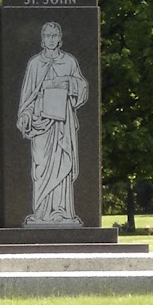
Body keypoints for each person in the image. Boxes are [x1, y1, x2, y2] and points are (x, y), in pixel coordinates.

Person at [16, 21, 89, 227]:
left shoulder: (69, 62)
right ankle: (41, 211)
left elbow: (82, 87)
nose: (51, 39)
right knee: (41, 166)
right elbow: (27, 95)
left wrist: (68, 81)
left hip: (62, 123)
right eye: (47, 35)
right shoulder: (34, 64)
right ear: (42, 39)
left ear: (60, 38)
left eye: (54, 35)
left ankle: (61, 211)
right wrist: (26, 115)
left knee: (62, 164)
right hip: (41, 122)